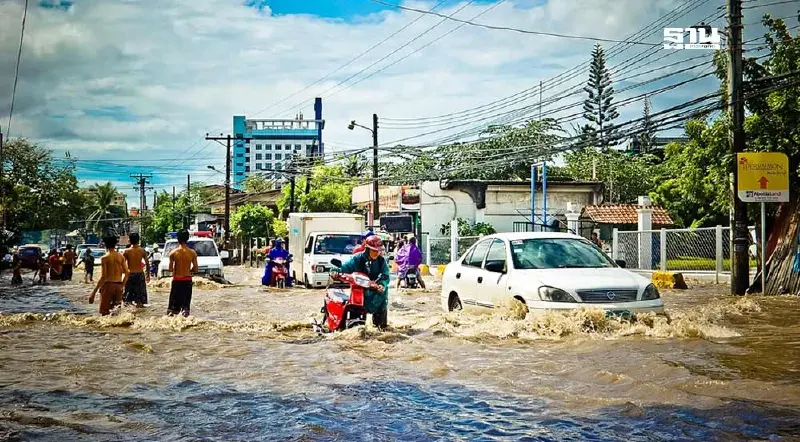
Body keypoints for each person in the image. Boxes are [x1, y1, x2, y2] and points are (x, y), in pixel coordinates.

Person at [331, 235, 391, 328]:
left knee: (382, 328)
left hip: (378, 293)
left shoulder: (381, 261)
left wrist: (382, 285)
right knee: (356, 327)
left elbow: (385, 276)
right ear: (367, 249)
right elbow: (344, 268)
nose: (377, 253)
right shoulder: (357, 259)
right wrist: (335, 271)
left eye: (378, 251)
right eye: (374, 250)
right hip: (360, 292)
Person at [89, 236, 129, 316]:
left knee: (105, 313)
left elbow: (104, 276)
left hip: (108, 286)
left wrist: (94, 292)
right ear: (115, 244)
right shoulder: (121, 256)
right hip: (118, 286)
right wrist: (122, 286)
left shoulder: (105, 258)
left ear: (105, 245)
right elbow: (127, 273)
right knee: (116, 313)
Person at [167, 230, 198, 317]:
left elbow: (170, 269)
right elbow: (196, 269)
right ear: (187, 239)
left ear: (178, 239)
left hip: (177, 280)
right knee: (185, 308)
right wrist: (188, 270)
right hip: (187, 280)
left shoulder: (173, 253)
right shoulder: (192, 253)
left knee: (172, 310)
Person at [122, 233, 150, 307]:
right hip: (140, 274)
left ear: (129, 240)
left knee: (128, 300)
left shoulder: (126, 251)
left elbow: (122, 264)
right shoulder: (142, 251)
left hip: (130, 274)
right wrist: (148, 275)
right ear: (138, 240)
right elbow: (147, 263)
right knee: (140, 300)